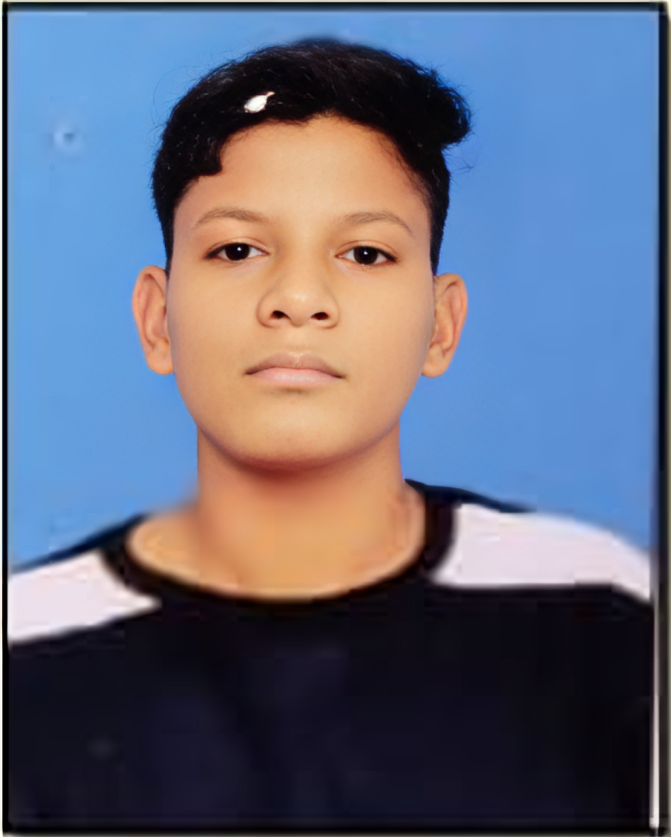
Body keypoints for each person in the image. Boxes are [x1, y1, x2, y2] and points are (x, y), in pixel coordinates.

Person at [8, 38, 654, 830]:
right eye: (237, 248)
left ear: (441, 324)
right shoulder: (26, 650)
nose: (299, 297)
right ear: (157, 319)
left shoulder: (598, 612)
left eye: (364, 252)